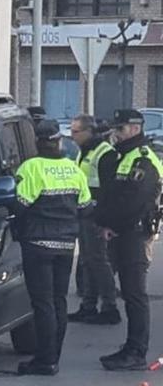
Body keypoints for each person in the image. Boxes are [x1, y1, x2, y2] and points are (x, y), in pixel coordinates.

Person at [10, 120, 92, 376]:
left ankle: (44, 361)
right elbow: (86, 207)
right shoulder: (73, 169)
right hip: (66, 244)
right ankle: (53, 356)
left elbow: (20, 205)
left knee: (42, 303)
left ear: (37, 143)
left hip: (37, 244)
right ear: (59, 141)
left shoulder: (31, 167)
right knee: (58, 301)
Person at [94, 109, 163, 371]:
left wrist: (111, 224)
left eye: (120, 129)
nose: (115, 134)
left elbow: (132, 203)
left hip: (135, 233)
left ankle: (136, 351)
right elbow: (113, 195)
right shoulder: (125, 156)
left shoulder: (143, 159)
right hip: (125, 232)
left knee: (135, 294)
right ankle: (131, 346)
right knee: (130, 291)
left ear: (135, 129)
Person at [68, 114, 119, 325]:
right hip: (84, 214)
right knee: (88, 261)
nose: (72, 136)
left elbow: (109, 190)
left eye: (75, 132)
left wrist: (105, 219)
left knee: (98, 261)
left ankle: (109, 308)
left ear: (88, 132)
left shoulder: (105, 154)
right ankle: (88, 306)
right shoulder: (84, 152)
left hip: (96, 216)